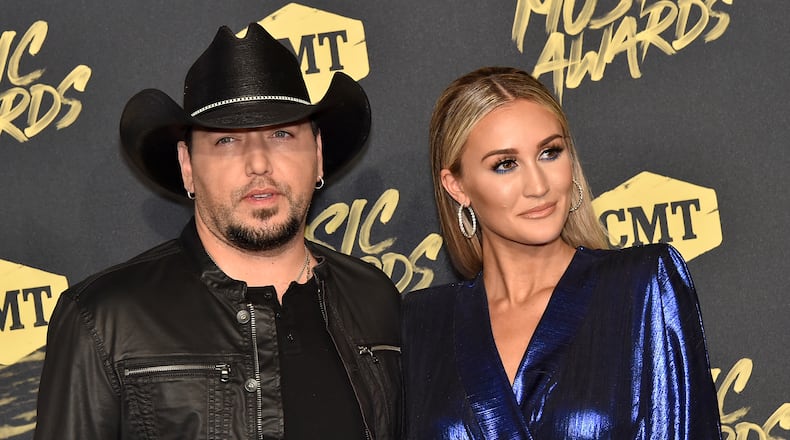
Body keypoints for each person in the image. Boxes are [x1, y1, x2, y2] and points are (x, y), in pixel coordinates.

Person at [34, 23, 401, 440]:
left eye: (282, 134)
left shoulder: (374, 298)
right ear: (187, 166)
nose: (258, 163)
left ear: (317, 156)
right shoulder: (105, 318)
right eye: (226, 140)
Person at [402, 67, 722, 439]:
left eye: (550, 153)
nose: (538, 185)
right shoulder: (425, 320)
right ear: (457, 186)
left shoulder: (642, 285)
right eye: (505, 165)